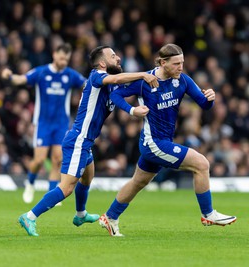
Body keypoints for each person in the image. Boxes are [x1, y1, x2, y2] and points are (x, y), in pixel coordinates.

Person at [17, 45, 159, 236]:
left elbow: (118, 92)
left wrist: (132, 110)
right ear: (102, 63)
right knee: (66, 187)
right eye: (113, 55)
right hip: (78, 139)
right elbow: (117, 78)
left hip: (86, 141)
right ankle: (30, 216)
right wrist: (143, 74)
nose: (118, 58)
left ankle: (81, 214)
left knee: (88, 176)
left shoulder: (109, 85)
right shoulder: (96, 76)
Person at [99, 44, 237, 237]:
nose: (181, 67)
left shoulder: (183, 80)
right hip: (154, 143)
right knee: (202, 164)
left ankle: (110, 216)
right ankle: (208, 214)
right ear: (163, 63)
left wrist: (211, 98)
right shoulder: (145, 80)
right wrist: (132, 110)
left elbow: (204, 105)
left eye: (182, 62)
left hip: (160, 142)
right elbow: (115, 94)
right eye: (176, 63)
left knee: (138, 182)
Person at [1, 43, 86, 204]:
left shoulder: (70, 75)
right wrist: (10, 76)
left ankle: (52, 193)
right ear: (54, 55)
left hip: (61, 124)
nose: (63, 62)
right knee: (39, 160)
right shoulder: (41, 72)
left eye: (66, 60)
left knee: (57, 159)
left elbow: (87, 83)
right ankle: (30, 182)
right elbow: (22, 79)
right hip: (43, 124)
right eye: (61, 58)